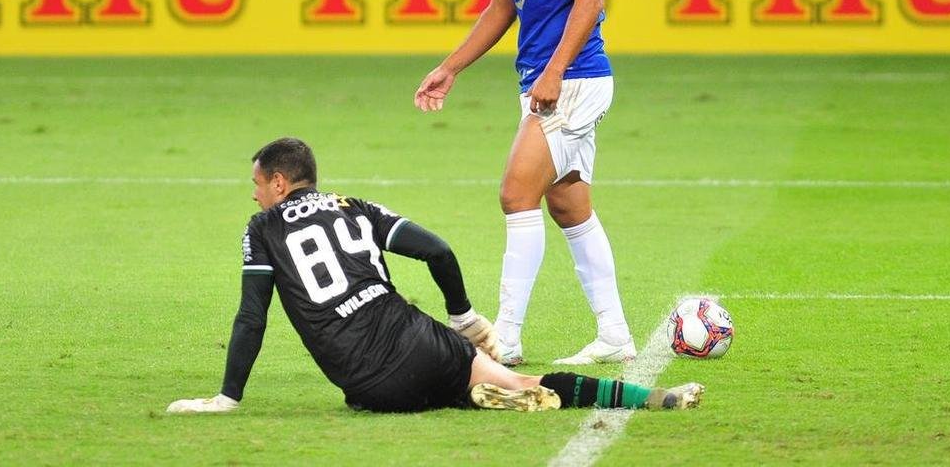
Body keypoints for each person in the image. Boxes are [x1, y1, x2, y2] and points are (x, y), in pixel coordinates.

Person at [166, 137, 704, 415]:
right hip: (423, 344)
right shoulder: (355, 207)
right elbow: (440, 252)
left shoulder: (262, 228)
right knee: (521, 380)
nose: (255, 193)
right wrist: (465, 318)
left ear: (280, 183)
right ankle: (651, 399)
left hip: (366, 383)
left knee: (371, 393)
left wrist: (227, 397)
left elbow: (251, 317)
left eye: (258, 183)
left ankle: (450, 393)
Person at [414, 0, 632, 366]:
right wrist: (452, 66)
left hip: (574, 79)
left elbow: (591, 1)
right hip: (544, 81)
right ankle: (614, 335)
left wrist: (555, 72)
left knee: (515, 193)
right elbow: (500, 7)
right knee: (569, 206)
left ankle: (503, 339)